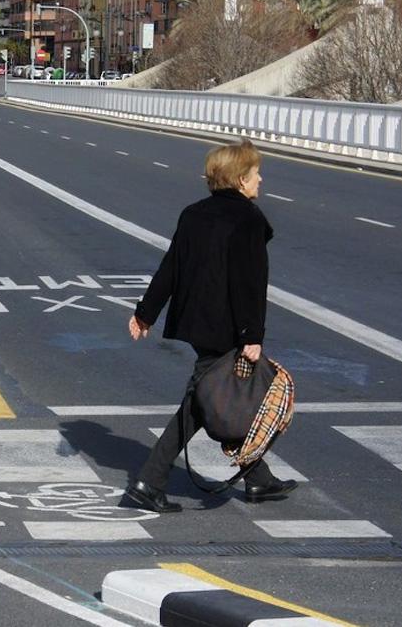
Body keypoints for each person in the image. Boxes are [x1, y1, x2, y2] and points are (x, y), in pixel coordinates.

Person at [125, 138, 297, 513]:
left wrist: (146, 313)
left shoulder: (194, 213)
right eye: (255, 174)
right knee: (204, 404)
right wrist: (252, 335)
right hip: (228, 329)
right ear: (239, 179)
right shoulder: (249, 220)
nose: (261, 180)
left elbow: (171, 267)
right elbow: (249, 283)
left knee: (217, 397)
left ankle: (258, 479)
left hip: (196, 323)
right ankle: (148, 481)